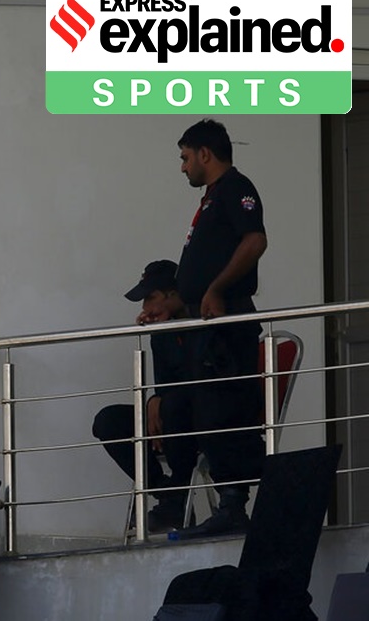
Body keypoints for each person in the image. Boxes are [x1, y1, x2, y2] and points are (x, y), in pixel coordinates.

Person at [172, 119, 268, 538]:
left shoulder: (235, 188)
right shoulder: (214, 196)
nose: (183, 167)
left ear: (204, 154)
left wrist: (216, 289)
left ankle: (234, 503)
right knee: (200, 410)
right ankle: (212, 500)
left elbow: (255, 241)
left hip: (225, 326)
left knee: (223, 410)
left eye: (185, 157)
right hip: (204, 321)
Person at [92, 260, 198, 532]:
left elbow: (202, 381)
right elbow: (164, 384)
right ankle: (167, 492)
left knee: (172, 407)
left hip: (206, 414)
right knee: (108, 421)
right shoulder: (161, 331)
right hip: (173, 412)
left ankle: (177, 497)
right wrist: (154, 401)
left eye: (151, 298)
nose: (145, 309)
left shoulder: (204, 315)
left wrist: (158, 401)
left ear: (174, 293)